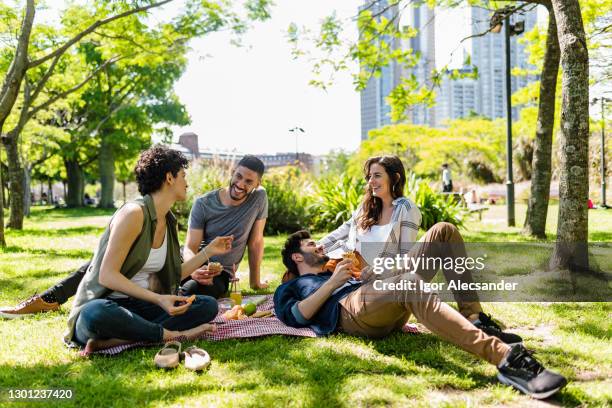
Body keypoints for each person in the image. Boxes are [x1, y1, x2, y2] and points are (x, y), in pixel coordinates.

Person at [274, 229, 567, 399]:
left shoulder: (337, 267)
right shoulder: (294, 285)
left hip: (373, 294)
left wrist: (371, 274)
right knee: (409, 283)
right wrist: (335, 284)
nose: (320, 245)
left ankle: (475, 317)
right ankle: (505, 358)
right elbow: (297, 317)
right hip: (351, 311)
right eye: (311, 244)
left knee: (443, 231)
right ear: (297, 257)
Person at [0, 155, 269, 318]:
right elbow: (189, 247)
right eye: (239, 177)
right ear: (232, 172)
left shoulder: (258, 199)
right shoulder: (201, 203)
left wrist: (254, 281)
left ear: (257, 185)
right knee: (106, 262)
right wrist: (199, 263)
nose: (241, 184)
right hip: (192, 265)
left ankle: (162, 304)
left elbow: (256, 241)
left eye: (249, 181)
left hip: (212, 273)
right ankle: (49, 298)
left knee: (195, 300)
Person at [314, 155, 521, 344]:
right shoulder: (364, 208)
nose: (371, 182)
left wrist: (379, 270)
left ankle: (474, 317)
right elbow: (341, 232)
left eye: (377, 176)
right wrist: (317, 247)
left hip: (391, 276)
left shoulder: (405, 208)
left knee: (444, 231)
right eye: (369, 177)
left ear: (394, 178)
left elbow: (405, 255)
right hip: (359, 289)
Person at [64, 145, 233, 352]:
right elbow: (107, 276)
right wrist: (159, 299)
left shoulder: (169, 220)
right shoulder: (133, 214)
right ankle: (171, 335)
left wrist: (209, 251)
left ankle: (122, 340)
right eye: (183, 175)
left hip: (143, 308)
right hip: (109, 307)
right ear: (169, 178)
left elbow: (174, 275)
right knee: (96, 313)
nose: (186, 183)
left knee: (207, 305)